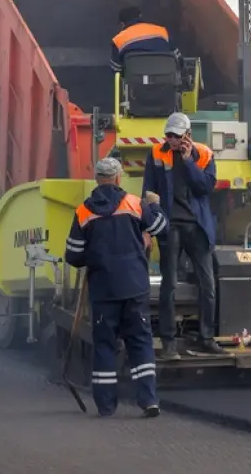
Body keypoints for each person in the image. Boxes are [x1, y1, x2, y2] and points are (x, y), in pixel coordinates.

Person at [64, 157, 168, 418]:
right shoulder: (134, 203)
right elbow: (160, 227)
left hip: (103, 289)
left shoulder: (83, 212)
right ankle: (148, 400)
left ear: (97, 178)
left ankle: (106, 406)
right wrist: (154, 206)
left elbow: (73, 255)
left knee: (104, 345)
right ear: (119, 177)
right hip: (134, 286)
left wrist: (95, 257)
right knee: (140, 341)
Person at [143, 112, 227, 358]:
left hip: (197, 226)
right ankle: (169, 342)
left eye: (176, 136)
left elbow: (205, 187)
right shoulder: (157, 153)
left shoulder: (204, 154)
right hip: (170, 227)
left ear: (188, 136)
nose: (171, 140)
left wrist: (189, 161)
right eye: (168, 135)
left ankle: (206, 338)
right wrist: (148, 227)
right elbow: (148, 191)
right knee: (168, 284)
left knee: (207, 283)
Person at [110, 6, 174, 74]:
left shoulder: (119, 40)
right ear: (140, 16)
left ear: (122, 24)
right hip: (165, 80)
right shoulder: (161, 31)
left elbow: (116, 69)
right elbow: (178, 58)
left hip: (135, 83)